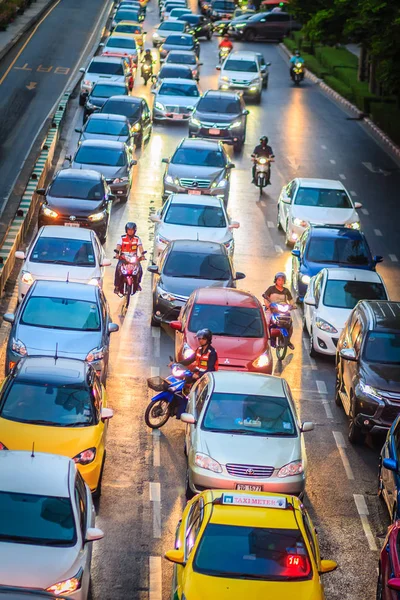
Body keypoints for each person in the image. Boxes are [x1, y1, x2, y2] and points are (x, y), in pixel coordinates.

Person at [262, 272, 296, 349]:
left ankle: (288, 341)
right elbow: (265, 297)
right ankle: (265, 338)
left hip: (283, 309)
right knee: (267, 322)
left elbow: (290, 300)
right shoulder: (271, 289)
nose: (281, 282)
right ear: (276, 281)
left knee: (290, 325)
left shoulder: (286, 290)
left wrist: (293, 305)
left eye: (282, 280)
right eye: (279, 280)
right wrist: (268, 304)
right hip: (272, 309)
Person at [114, 222, 145, 295]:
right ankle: (117, 286)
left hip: (133, 258)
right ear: (126, 230)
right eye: (129, 230)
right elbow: (118, 246)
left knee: (140, 270)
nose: (130, 231)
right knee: (118, 270)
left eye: (132, 230)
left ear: (135, 230)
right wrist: (117, 254)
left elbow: (140, 248)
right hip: (123, 258)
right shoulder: (122, 238)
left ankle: (137, 284)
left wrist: (142, 255)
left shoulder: (137, 239)